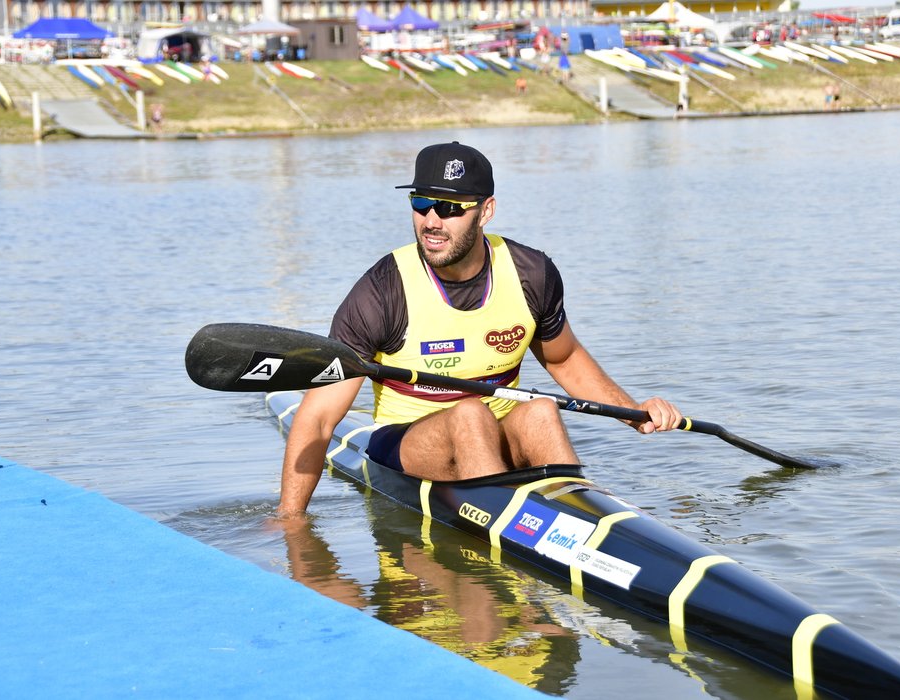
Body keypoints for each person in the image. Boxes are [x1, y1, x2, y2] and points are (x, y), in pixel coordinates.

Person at [277, 142, 682, 517]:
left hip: (498, 431)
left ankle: (581, 519)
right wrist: (290, 522)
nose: (432, 221)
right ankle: (510, 529)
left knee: (540, 410)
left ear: (486, 210)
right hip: (406, 444)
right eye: (421, 203)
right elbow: (317, 419)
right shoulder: (381, 291)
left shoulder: (532, 274)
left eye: (451, 207)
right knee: (469, 414)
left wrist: (633, 413)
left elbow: (566, 358)